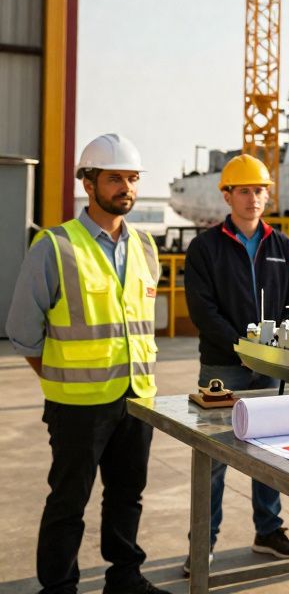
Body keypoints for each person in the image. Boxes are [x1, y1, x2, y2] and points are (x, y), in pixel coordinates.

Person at [6, 134, 167, 594]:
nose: (126, 188)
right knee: (68, 501)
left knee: (127, 495)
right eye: (115, 178)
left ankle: (125, 578)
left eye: (132, 179)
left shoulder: (145, 247)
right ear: (88, 182)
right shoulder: (54, 246)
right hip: (77, 404)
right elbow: (23, 331)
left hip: (137, 399)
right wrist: (61, 376)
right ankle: (58, 587)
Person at [184, 154, 289, 568]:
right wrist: (243, 347)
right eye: (244, 191)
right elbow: (202, 310)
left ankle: (269, 532)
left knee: (268, 454)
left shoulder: (283, 247)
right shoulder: (205, 248)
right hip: (222, 367)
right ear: (227, 195)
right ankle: (203, 542)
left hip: (270, 366)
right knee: (213, 458)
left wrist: (273, 352)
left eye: (259, 190)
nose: (253, 198)